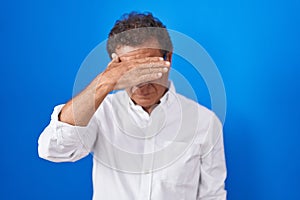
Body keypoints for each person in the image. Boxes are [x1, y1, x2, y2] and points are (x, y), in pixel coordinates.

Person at [38, 12, 227, 200]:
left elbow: (213, 195)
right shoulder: (102, 112)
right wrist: (105, 83)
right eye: (130, 70)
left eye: (147, 68)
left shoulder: (205, 123)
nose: (140, 83)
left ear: (168, 59)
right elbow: (54, 149)